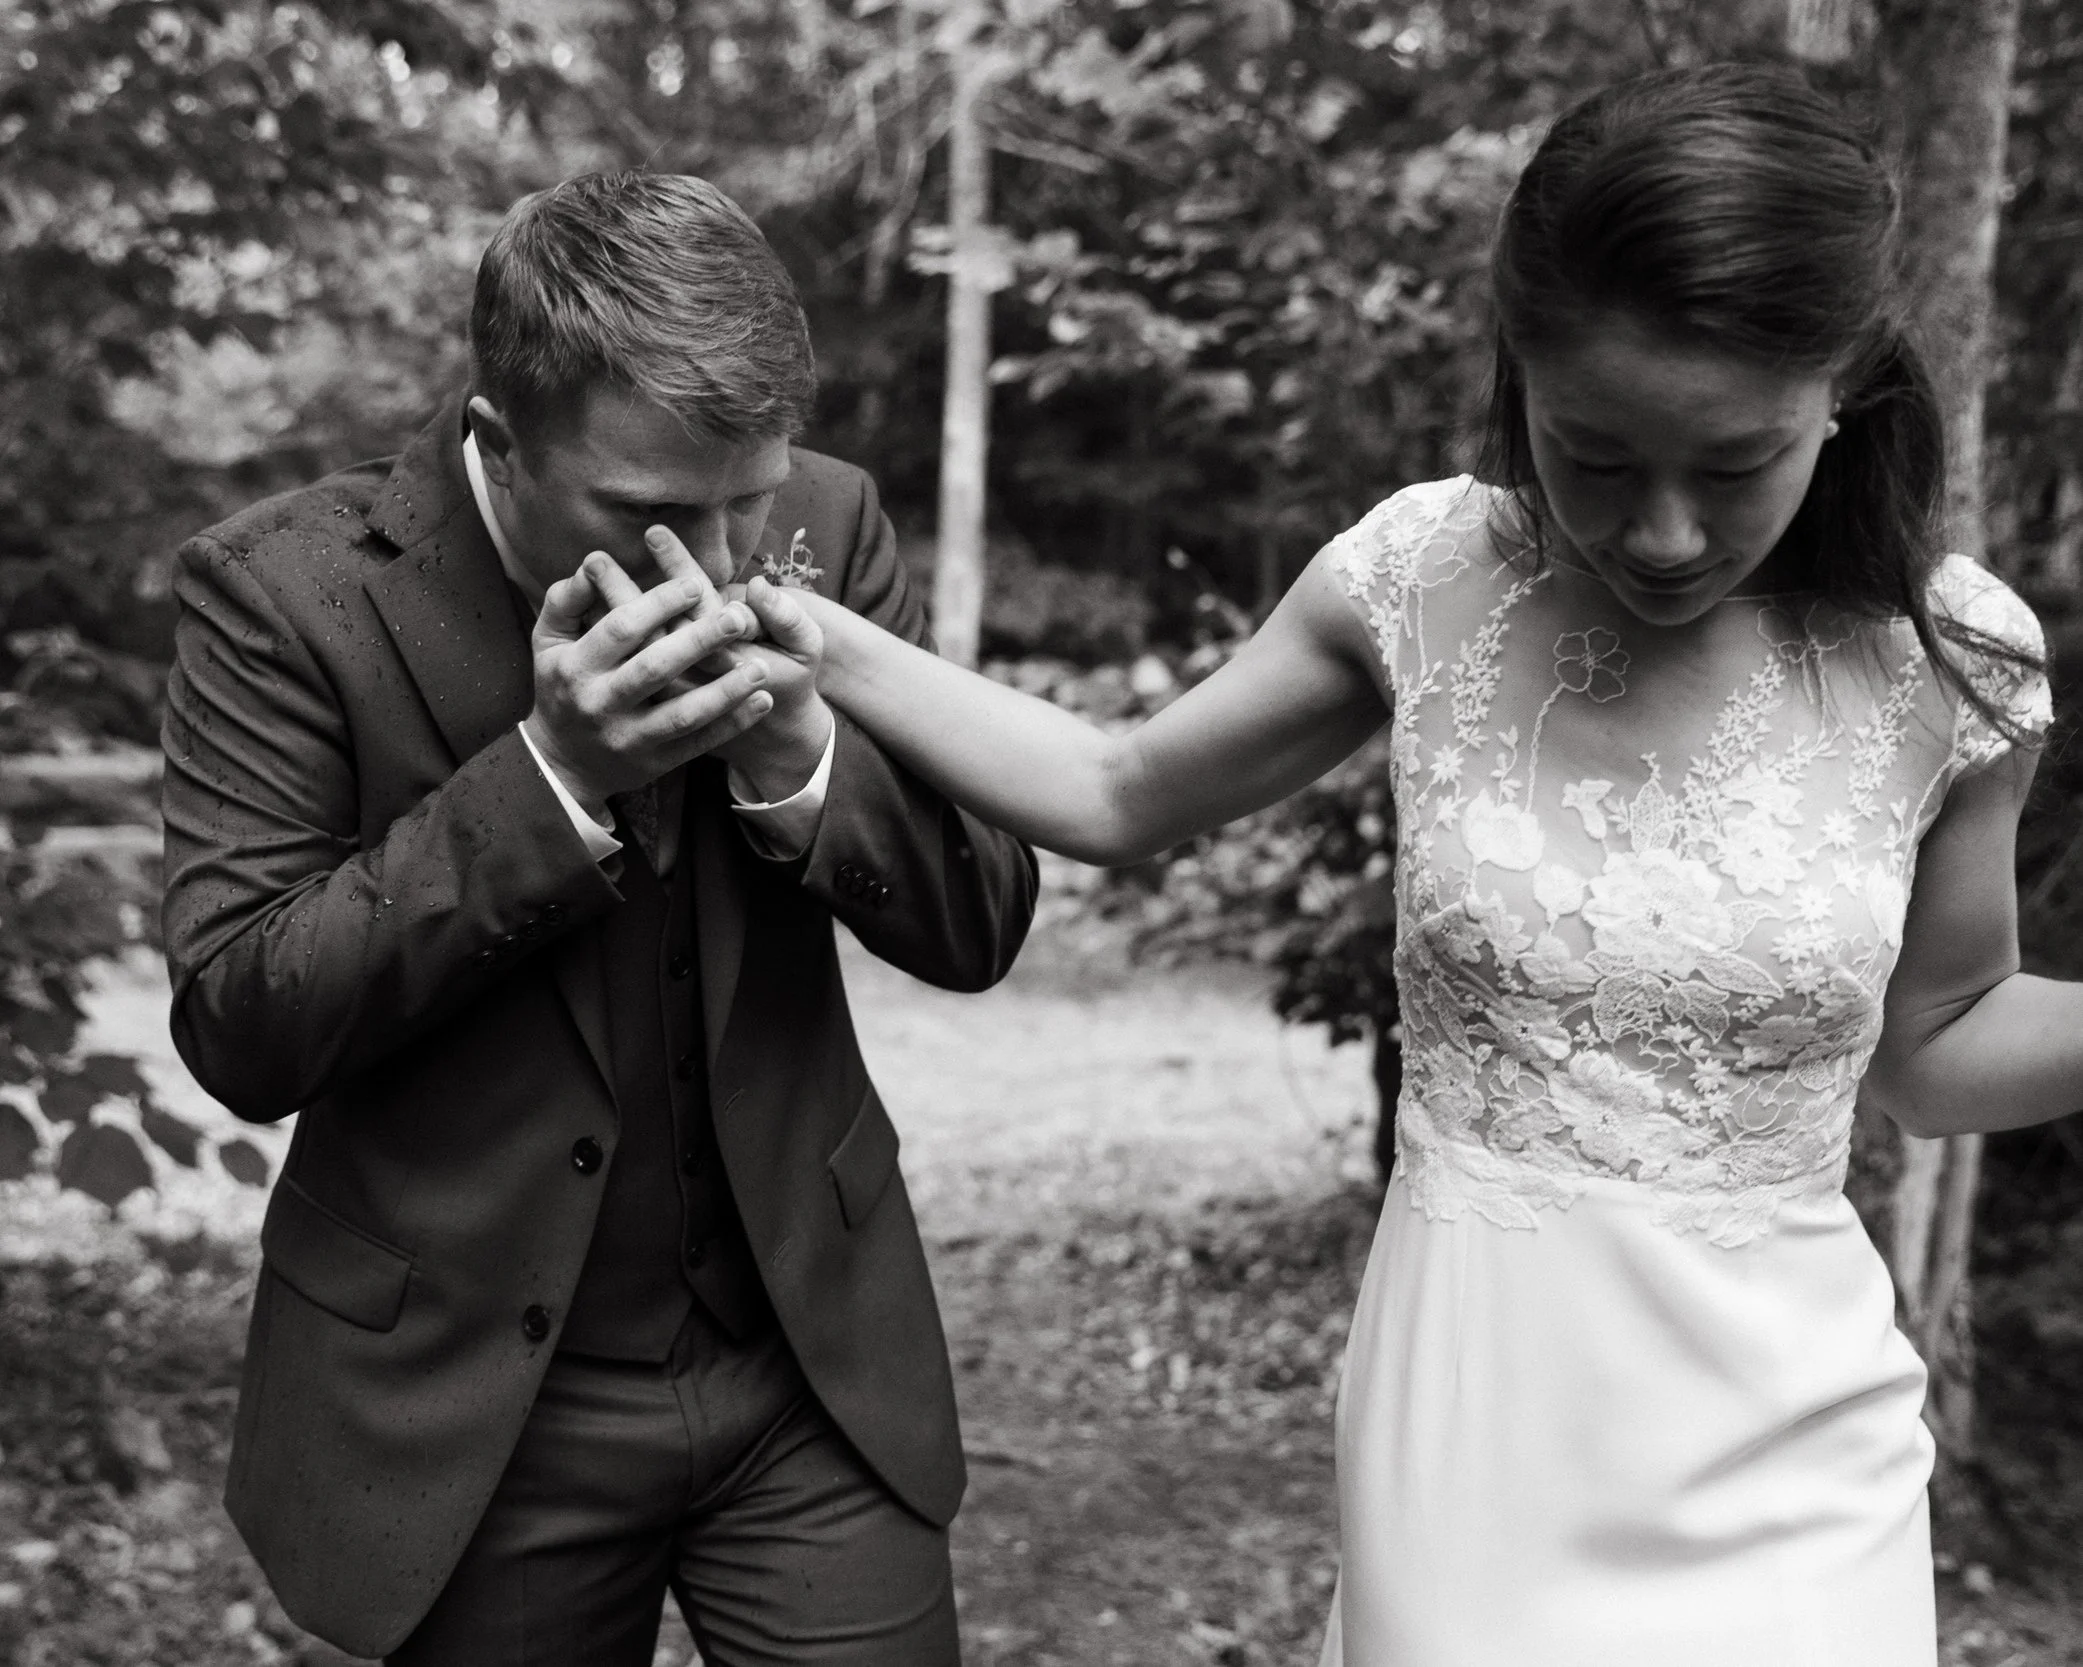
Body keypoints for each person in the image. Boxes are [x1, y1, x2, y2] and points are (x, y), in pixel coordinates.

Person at [733, 64, 2078, 1666]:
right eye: (1592, 455)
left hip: (1797, 1442)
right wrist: (809, 639)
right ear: (1518, 379)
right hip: (1475, 1425)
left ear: (1839, 392)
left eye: (1732, 465)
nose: (1656, 532)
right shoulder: (1425, 575)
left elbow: (1933, 1052)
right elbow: (1109, 786)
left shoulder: (1957, 660)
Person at [160, 172, 1037, 1666]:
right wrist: (551, 779)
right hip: (470, 1398)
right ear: (500, 441)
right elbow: (243, 1016)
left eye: (745, 497)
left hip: (808, 1365)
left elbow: (978, 917)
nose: (715, 557)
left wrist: (796, 761)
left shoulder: (828, 519)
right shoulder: (284, 594)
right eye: (650, 512)